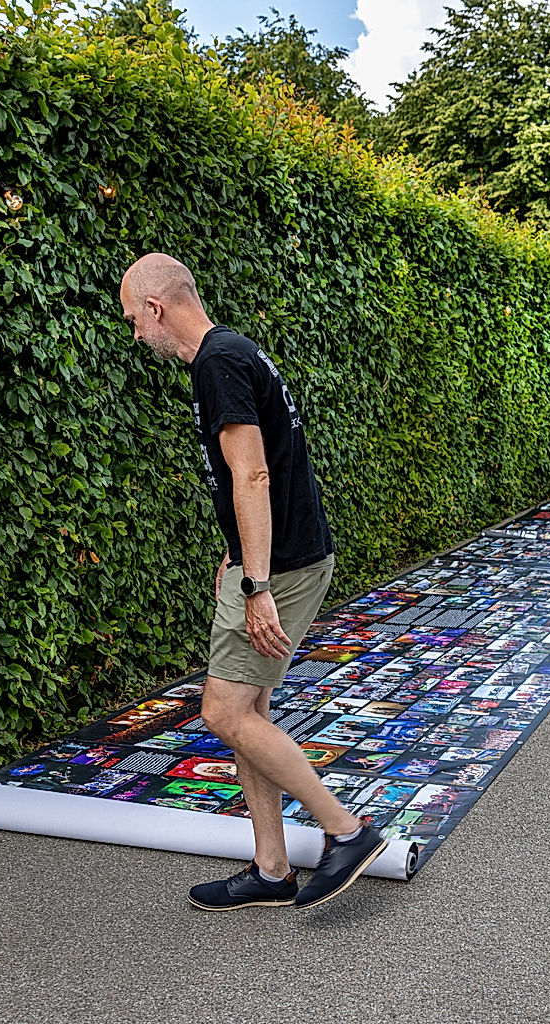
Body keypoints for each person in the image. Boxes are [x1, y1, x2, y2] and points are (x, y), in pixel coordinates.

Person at [119, 253, 388, 909]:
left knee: (223, 711)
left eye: (133, 321)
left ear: (156, 307)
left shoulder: (217, 362)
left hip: (282, 565)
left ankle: (346, 832)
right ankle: (271, 869)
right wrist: (238, 554)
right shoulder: (234, 352)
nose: (135, 336)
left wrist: (257, 583)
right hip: (279, 554)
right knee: (250, 714)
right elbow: (260, 469)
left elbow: (254, 475)